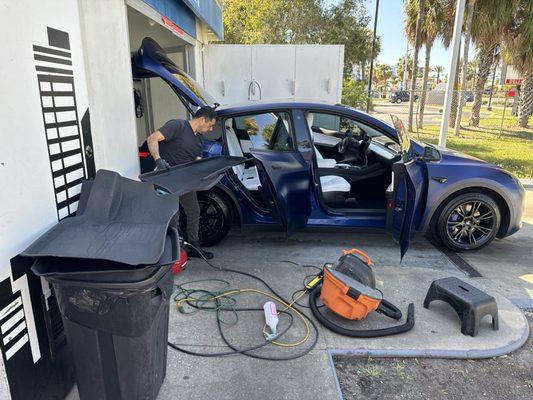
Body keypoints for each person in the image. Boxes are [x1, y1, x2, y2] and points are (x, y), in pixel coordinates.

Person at [146, 106, 217, 259]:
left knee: (194, 210)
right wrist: (158, 160)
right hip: (166, 180)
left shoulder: (199, 138)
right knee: (173, 216)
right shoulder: (177, 126)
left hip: (185, 181)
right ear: (203, 119)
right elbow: (152, 139)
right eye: (210, 125)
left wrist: (206, 172)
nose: (211, 129)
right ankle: (173, 252)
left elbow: (196, 161)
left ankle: (194, 245)